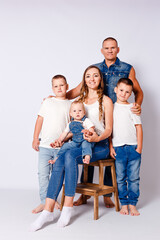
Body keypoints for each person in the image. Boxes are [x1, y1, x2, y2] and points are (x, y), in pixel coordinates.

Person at [30, 65, 113, 231]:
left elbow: (109, 129)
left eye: (95, 75)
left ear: (100, 79)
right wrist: (61, 139)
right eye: (88, 76)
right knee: (63, 155)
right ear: (84, 80)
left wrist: (96, 137)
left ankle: (67, 207)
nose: (92, 79)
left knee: (69, 156)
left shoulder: (106, 100)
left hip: (99, 145)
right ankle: (48, 210)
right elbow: (74, 129)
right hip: (79, 143)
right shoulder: (79, 101)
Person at [66, 37, 143, 207]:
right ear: (102, 50)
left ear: (118, 49)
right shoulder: (96, 69)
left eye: (113, 48)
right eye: (106, 48)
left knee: (111, 154)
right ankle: (84, 194)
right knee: (88, 147)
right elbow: (77, 90)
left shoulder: (127, 69)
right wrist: (57, 97)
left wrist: (137, 106)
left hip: (117, 116)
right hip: (94, 115)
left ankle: (107, 193)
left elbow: (138, 91)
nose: (110, 50)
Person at [32, 75, 71, 214]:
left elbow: (72, 126)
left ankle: (52, 200)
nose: (59, 88)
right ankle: (44, 201)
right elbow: (39, 120)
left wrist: (65, 140)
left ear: (67, 86)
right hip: (45, 146)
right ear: (52, 88)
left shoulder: (71, 104)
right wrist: (35, 138)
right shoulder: (48, 102)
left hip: (61, 148)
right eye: (56, 86)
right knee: (42, 174)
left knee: (58, 175)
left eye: (62, 85)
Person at [109, 78, 143, 216]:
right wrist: (111, 146)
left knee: (134, 178)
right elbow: (109, 130)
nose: (123, 94)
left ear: (131, 94)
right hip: (118, 148)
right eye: (121, 90)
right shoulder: (111, 107)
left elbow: (139, 128)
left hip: (133, 147)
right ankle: (124, 203)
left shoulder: (132, 107)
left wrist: (139, 148)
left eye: (127, 92)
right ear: (116, 89)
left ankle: (133, 204)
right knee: (120, 178)